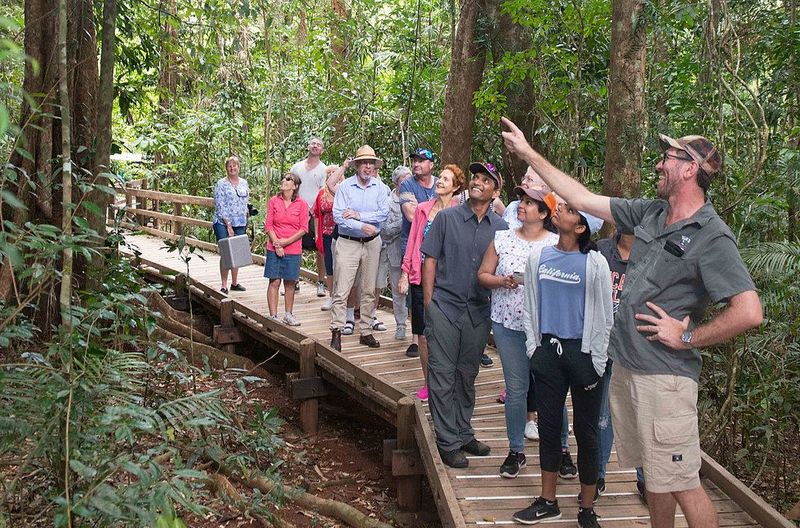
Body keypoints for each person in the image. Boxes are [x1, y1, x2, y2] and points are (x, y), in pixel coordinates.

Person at [502, 117, 763, 528]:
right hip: (630, 369)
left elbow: (749, 310)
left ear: (690, 168)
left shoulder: (712, 235)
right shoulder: (652, 213)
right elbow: (584, 199)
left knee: (683, 482)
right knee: (656, 477)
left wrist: (687, 336)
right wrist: (529, 152)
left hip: (666, 379)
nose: (660, 165)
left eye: (668, 158)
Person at [512, 202, 612, 528]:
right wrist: (533, 348)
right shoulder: (539, 257)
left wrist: (597, 361)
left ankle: (586, 508)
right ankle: (548, 501)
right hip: (548, 353)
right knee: (549, 428)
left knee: (586, 432)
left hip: (583, 354)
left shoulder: (594, 263)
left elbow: (605, 317)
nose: (560, 210)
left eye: (568, 210)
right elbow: (530, 307)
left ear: (580, 227)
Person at [421, 161, 507, 469]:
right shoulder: (446, 218)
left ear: (495, 190)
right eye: (475, 178)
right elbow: (429, 260)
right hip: (445, 306)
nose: (477, 182)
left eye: (486, 180)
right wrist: (429, 304)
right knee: (442, 374)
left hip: (478, 311)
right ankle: (447, 441)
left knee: (467, 374)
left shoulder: (501, 228)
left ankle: (462, 430)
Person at [476, 186, 559, 478]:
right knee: (515, 390)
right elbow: (483, 275)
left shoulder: (557, 244)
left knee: (552, 390)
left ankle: (561, 450)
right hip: (507, 324)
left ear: (545, 213)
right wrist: (502, 281)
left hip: (546, 329)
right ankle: (515, 451)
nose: (521, 206)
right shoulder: (502, 238)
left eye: (529, 203)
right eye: (521, 201)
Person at [398, 165, 465, 402]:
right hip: (420, 278)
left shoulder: (461, 213)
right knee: (424, 334)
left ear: (456, 187)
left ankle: (451, 383)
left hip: (449, 281)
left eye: (446, 179)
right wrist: (406, 272)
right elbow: (413, 241)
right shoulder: (423, 209)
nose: (440, 182)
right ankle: (428, 383)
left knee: (449, 333)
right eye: (440, 178)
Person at [592, 231, 647, 504]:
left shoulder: (651, 253)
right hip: (602, 344)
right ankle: (598, 474)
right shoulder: (601, 249)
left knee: (639, 414)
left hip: (636, 348)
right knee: (603, 413)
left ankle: (646, 480)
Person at [329, 145, 390, 352]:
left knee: (368, 289)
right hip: (348, 242)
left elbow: (383, 214)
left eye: (370, 163)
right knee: (342, 289)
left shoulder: (381, 188)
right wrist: (360, 225)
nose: (367, 166)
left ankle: (365, 331)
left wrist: (358, 215)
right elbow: (338, 216)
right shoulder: (345, 187)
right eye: (363, 162)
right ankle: (336, 331)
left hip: (372, 242)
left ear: (374, 166)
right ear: (356, 166)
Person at [264, 173, 309, 326]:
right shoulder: (274, 201)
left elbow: (304, 228)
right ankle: (273, 316)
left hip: (293, 247)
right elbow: (268, 225)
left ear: (295, 186)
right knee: (274, 281)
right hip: (274, 246)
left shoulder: (302, 204)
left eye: (288, 179)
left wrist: (285, 243)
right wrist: (277, 243)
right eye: (283, 179)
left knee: (289, 283)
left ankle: (288, 314)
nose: (284, 181)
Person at [375, 166, 412, 339]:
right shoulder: (387, 202)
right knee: (399, 291)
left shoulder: (416, 197)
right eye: (404, 180)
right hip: (396, 252)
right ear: (396, 183)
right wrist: (407, 220)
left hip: (417, 253)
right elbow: (385, 231)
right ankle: (401, 325)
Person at [290, 137, 328, 296]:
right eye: (313, 143)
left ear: (322, 150)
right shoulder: (297, 167)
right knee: (295, 246)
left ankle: (321, 281)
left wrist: (312, 209)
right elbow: (291, 187)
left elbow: (323, 191)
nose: (315, 146)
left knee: (319, 247)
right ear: (308, 146)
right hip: (297, 212)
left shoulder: (324, 169)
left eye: (318, 144)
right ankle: (295, 280)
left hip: (316, 213)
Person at [213, 155, 249, 294]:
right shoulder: (221, 184)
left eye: (235, 166)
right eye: (230, 166)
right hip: (223, 221)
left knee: (237, 252)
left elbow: (245, 201)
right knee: (227, 253)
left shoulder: (244, 183)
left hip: (240, 222)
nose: (232, 168)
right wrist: (228, 225)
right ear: (226, 168)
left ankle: (235, 283)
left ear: (238, 167)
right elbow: (219, 204)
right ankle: (224, 284)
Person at [314, 164, 347, 311]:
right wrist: (316, 233)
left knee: (342, 266)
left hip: (343, 234)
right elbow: (316, 214)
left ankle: (343, 298)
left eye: (335, 172)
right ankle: (331, 296)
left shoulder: (345, 190)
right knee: (330, 266)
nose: (332, 174)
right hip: (326, 233)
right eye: (330, 173)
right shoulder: (322, 193)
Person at [399, 148, 438, 252]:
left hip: (435, 245)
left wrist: (419, 208)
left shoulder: (440, 184)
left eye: (420, 161)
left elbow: (447, 214)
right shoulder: (406, 185)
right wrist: (435, 210)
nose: (416, 164)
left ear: (431, 165)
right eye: (414, 161)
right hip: (411, 245)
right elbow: (411, 216)